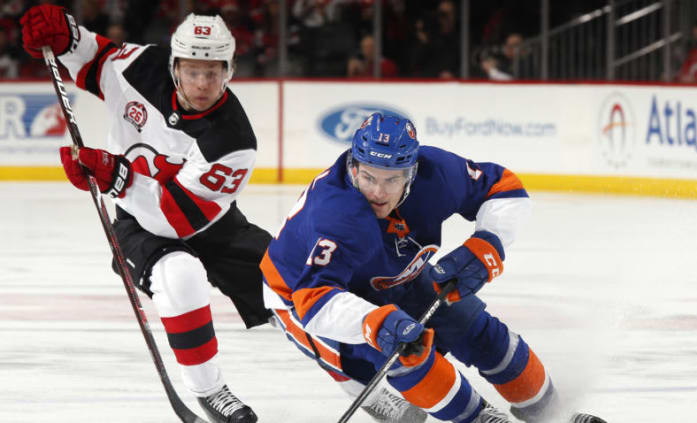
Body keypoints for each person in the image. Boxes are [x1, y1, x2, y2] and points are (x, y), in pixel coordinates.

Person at [261, 112, 608, 423]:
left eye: (391, 180)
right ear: (353, 167)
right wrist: (374, 322)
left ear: (412, 172)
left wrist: (489, 242)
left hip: (397, 276)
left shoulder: (436, 174)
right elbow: (315, 300)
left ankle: (552, 416)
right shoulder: (337, 215)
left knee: (480, 332)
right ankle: (479, 419)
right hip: (301, 297)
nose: (377, 193)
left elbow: (504, 187)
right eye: (368, 177)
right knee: (407, 355)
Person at [20, 6, 271, 423]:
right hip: (138, 225)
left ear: (231, 69)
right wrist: (65, 35)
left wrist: (114, 175)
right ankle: (209, 392)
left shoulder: (233, 139)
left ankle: (364, 376)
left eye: (214, 71)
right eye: (192, 70)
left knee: (293, 279)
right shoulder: (142, 67)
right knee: (180, 275)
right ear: (174, 65)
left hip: (206, 222)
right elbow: (96, 59)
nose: (203, 83)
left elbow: (176, 219)